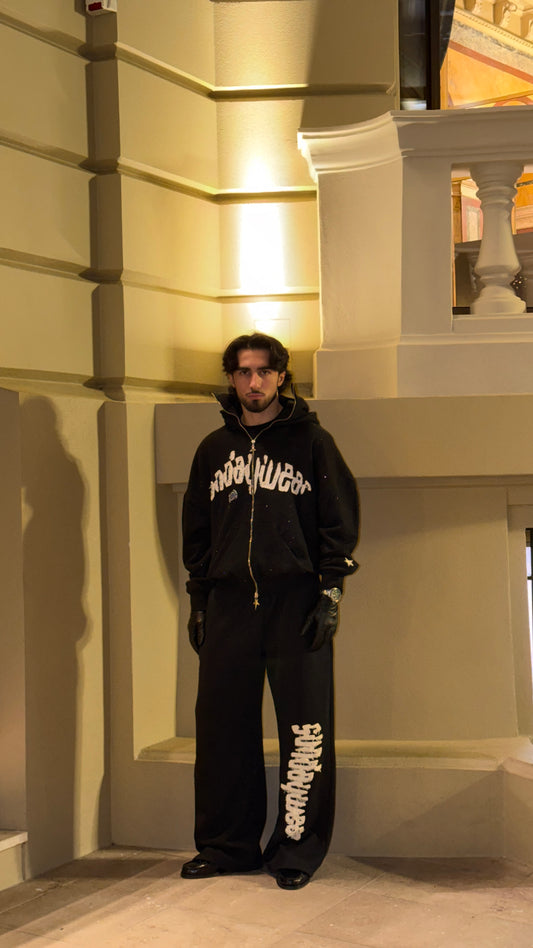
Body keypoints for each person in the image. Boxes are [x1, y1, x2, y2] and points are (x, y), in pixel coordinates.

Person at [181, 332, 359, 890]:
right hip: (229, 605)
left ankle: (296, 849)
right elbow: (197, 530)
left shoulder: (313, 443)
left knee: (304, 730)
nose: (253, 382)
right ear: (231, 379)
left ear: (281, 376)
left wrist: (330, 594)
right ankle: (227, 846)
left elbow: (338, 521)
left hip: (297, 604)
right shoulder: (213, 449)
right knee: (222, 729)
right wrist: (200, 600)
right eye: (242, 372)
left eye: (263, 371)